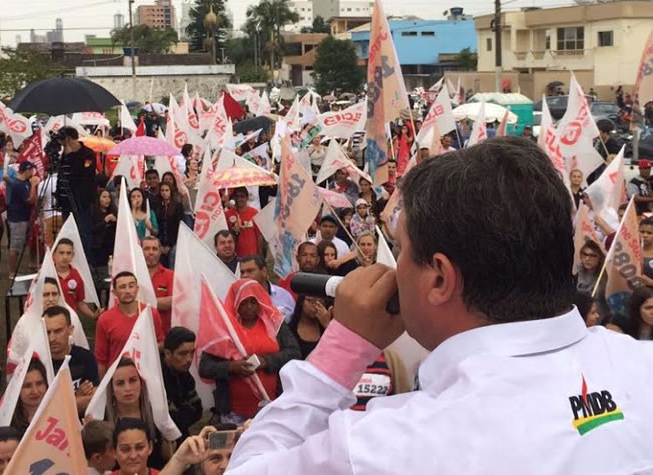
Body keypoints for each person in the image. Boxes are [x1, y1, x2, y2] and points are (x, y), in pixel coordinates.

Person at [226, 137, 653, 474]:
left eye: (402, 248)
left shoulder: (390, 448)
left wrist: (342, 349)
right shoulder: (643, 366)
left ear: (440, 278)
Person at [199, 279, 301, 425]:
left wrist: (266, 362)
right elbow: (205, 367)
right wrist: (231, 367)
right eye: (244, 303)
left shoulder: (274, 323)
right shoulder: (224, 330)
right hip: (234, 414)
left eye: (253, 302)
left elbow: (294, 352)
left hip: (272, 407)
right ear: (235, 302)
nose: (249, 308)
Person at [106, 359, 173, 470]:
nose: (127, 388)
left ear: (141, 383)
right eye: (120, 383)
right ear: (112, 389)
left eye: (132, 380)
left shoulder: (158, 413)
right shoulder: (103, 418)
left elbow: (168, 457)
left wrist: (168, 434)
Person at [95, 271, 165, 377]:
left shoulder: (150, 313)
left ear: (137, 289)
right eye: (122, 287)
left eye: (131, 286)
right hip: (117, 376)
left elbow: (161, 343)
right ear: (114, 292)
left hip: (146, 374)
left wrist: (144, 346)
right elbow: (101, 359)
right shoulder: (105, 320)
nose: (127, 291)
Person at [43, 305, 99, 413]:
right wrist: (75, 395)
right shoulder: (38, 363)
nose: (52, 338)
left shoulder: (86, 358)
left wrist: (59, 404)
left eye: (58, 331)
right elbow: (40, 409)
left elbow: (93, 400)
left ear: (70, 330)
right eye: (47, 332)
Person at [161, 327, 203, 436]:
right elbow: (168, 420)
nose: (189, 359)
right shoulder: (158, 379)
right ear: (168, 354)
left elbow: (198, 411)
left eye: (191, 352)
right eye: (182, 353)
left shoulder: (186, 376)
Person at [239, 255, 296, 323]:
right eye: (242, 272)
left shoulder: (284, 296)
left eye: (250, 271)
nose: (245, 275)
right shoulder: (238, 300)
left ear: (264, 271)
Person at [53, 237, 99, 319]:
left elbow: (80, 303)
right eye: (61, 253)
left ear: (72, 255)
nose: (65, 257)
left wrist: (93, 316)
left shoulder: (76, 275)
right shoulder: (47, 274)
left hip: (70, 319)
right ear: (54, 254)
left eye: (68, 253)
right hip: (50, 319)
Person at [7, 161, 40, 274]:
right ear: (27, 170)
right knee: (15, 245)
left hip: (22, 217)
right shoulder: (18, 185)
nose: (33, 173)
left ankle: (14, 270)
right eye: (31, 170)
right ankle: (12, 272)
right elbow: (30, 200)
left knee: (19, 244)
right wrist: (34, 186)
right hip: (18, 219)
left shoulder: (24, 182)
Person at [142, 236, 174, 332]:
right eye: (147, 249)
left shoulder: (170, 275)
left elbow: (173, 301)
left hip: (163, 332)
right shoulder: (133, 274)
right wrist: (158, 302)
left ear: (160, 252)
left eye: (155, 249)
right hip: (138, 333)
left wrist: (141, 302)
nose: (151, 252)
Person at [10, 358, 48, 436]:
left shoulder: (61, 415)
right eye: (27, 386)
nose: (35, 391)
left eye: (39, 383)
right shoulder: (7, 422)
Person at [225, 187, 262, 257]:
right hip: (235, 256)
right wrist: (234, 231)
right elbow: (225, 235)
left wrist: (260, 255)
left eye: (242, 196)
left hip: (252, 255)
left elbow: (259, 236)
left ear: (247, 198)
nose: (239, 199)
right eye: (237, 196)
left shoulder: (254, 213)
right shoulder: (228, 214)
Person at [156, 181, 184, 268]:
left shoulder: (177, 206)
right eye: (162, 190)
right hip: (160, 242)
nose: (164, 193)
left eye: (167, 190)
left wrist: (170, 245)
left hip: (174, 242)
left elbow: (178, 226)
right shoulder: (158, 206)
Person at [91, 189, 118, 268]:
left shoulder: (114, 211)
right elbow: (93, 229)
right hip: (98, 247)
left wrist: (116, 221)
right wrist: (104, 221)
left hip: (111, 247)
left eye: (109, 197)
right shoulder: (94, 212)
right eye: (104, 197)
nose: (107, 199)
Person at [641, 217, 653, 288]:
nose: (645, 235)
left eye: (649, 233)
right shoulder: (629, 249)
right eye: (642, 232)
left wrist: (651, 282)